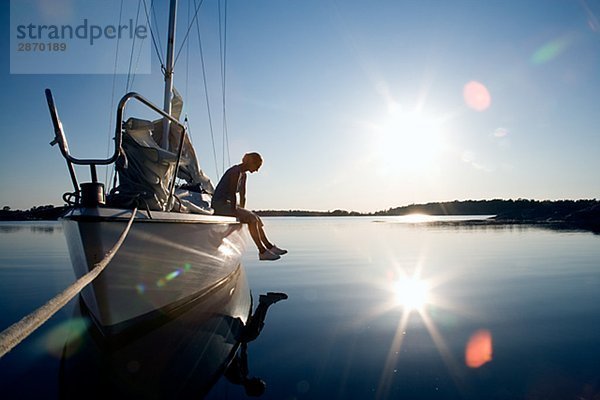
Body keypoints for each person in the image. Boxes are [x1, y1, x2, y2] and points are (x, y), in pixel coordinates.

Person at [212, 152, 287, 261]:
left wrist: (242, 211)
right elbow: (233, 193)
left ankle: (269, 247)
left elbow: (243, 195)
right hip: (219, 204)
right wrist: (236, 212)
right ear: (251, 162)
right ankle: (262, 252)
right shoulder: (235, 172)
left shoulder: (243, 175)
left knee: (256, 218)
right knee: (251, 219)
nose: (257, 170)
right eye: (257, 166)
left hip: (228, 204)